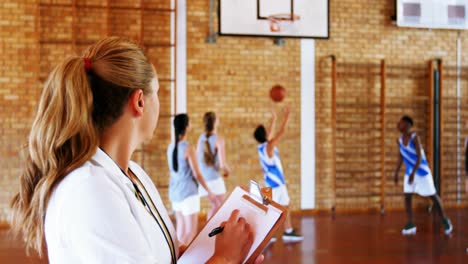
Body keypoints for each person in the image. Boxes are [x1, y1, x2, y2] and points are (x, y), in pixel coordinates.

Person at [10, 37, 263, 264]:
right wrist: (226, 258)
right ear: (139, 101)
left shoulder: (134, 174)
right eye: (158, 93)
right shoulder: (89, 188)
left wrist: (218, 255)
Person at [394, 115, 453, 235]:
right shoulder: (399, 140)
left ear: (407, 125)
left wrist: (414, 173)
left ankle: (445, 220)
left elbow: (420, 157)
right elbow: (401, 157)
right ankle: (411, 224)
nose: (398, 124)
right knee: (407, 196)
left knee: (433, 196)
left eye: (400, 123)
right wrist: (396, 172)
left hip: (421, 171)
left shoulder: (414, 137)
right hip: (410, 172)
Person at [253, 107, 303, 242]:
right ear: (265, 135)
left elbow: (271, 133)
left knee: (283, 207)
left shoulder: (262, 147)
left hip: (274, 184)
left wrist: (274, 119)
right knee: (272, 209)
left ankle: (288, 231)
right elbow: (282, 132)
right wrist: (287, 117)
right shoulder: (268, 147)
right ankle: (268, 234)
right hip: (275, 185)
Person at [168, 114, 216, 245]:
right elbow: (197, 174)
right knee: (190, 232)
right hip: (189, 193)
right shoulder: (188, 148)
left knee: (180, 231)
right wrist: (209, 191)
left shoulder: (170, 147)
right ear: (187, 127)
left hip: (175, 193)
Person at [197, 112, 231, 220]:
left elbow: (198, 157)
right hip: (214, 179)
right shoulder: (219, 140)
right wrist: (228, 171)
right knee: (220, 206)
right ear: (215, 123)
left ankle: (210, 232)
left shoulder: (201, 138)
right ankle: (210, 232)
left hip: (204, 179)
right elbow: (222, 164)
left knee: (215, 206)